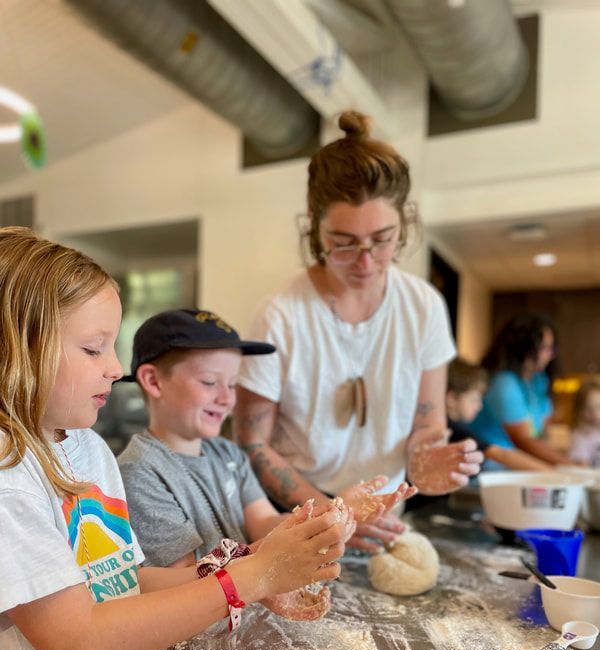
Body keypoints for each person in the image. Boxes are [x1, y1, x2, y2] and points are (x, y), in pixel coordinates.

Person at [0, 227, 349, 650]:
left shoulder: (84, 447)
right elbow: (78, 643)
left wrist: (250, 573)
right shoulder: (10, 476)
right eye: (92, 348)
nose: (115, 368)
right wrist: (246, 580)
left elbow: (124, 582)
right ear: (16, 350)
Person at [234, 110, 482, 552]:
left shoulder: (423, 307)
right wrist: (332, 514)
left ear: (403, 223)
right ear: (314, 222)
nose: (366, 262)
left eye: (383, 240)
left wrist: (429, 462)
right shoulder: (281, 315)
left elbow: (427, 427)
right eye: (344, 243)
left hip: (386, 519)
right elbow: (252, 442)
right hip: (298, 521)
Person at [117, 308, 416, 603]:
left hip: (242, 603)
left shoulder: (227, 453)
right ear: (154, 382)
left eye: (232, 384)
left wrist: (330, 516)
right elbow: (186, 583)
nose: (227, 398)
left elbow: (265, 522)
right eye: (209, 382)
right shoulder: (141, 470)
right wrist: (271, 562)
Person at [468, 312, 573, 467]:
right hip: (490, 469)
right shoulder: (503, 384)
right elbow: (523, 441)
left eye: (551, 348)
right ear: (523, 347)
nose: (549, 355)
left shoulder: (539, 381)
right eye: (543, 347)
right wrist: (570, 465)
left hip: (516, 467)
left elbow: (541, 434)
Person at [446, 358, 551, 471]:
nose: (479, 406)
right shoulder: (453, 428)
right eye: (474, 399)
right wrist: (551, 473)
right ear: (452, 398)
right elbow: (501, 455)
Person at [569, 379, 600, 466]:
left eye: (599, 406)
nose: (595, 413)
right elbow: (582, 465)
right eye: (588, 408)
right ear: (579, 410)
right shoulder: (579, 435)